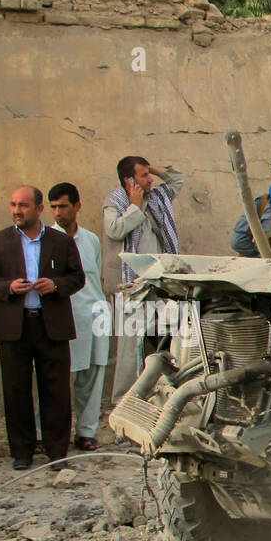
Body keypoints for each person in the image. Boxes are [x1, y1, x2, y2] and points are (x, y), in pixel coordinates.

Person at [0, 185, 85, 470]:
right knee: (16, 390)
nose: (16, 211)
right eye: (12, 205)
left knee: (56, 390)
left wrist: (56, 284)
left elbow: (77, 278)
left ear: (38, 209)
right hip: (15, 327)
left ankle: (57, 451)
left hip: (52, 326)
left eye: (22, 205)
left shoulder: (61, 242)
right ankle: (22, 452)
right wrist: (8, 287)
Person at [104, 155, 183, 398]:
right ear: (130, 181)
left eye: (149, 174)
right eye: (144, 175)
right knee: (131, 346)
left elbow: (178, 179)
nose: (150, 179)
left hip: (159, 283)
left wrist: (157, 169)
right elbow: (114, 229)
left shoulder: (157, 198)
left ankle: (157, 395)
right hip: (132, 286)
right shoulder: (115, 202)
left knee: (162, 340)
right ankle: (124, 399)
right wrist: (135, 207)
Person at [48, 182, 109, 452]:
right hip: (63, 314)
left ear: (77, 206)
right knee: (54, 378)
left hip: (94, 313)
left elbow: (93, 278)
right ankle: (45, 434)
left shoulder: (91, 239)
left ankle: (86, 432)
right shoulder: (47, 239)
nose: (58, 212)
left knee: (92, 375)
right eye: (53, 207)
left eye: (62, 206)